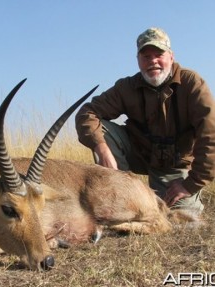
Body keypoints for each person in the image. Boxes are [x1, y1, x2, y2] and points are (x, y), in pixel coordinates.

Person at [75, 27, 215, 216]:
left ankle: (165, 197)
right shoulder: (127, 86)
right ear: (138, 61)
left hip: (176, 168)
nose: (153, 61)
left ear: (171, 56)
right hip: (141, 158)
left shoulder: (192, 83)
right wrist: (101, 147)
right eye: (146, 56)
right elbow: (86, 113)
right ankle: (120, 193)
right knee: (103, 131)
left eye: (159, 54)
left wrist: (190, 185)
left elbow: (210, 136)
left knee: (180, 218)